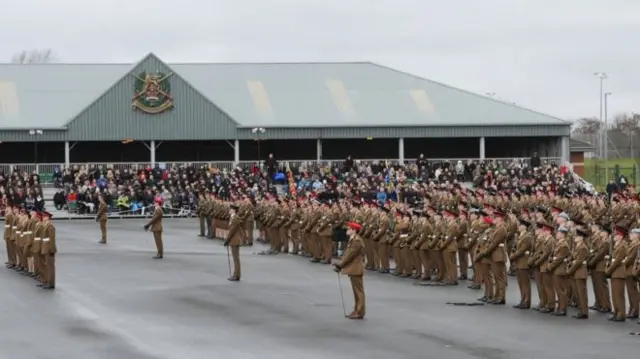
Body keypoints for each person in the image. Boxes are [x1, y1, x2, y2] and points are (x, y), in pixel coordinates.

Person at [333, 221, 366, 320]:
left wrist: (340, 265)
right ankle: (357, 310)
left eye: (348, 229)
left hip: (356, 268)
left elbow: (351, 255)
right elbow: (348, 254)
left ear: (354, 230)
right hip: (353, 268)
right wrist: (340, 263)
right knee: (356, 291)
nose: (347, 230)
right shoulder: (353, 239)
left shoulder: (357, 241)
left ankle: (360, 311)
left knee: (359, 291)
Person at [224, 204, 244, 281]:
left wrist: (227, 240)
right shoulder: (232, 218)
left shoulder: (236, 218)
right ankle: (235, 274)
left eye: (230, 209)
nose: (229, 210)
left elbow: (232, 230)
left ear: (234, 210)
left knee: (236, 258)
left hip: (235, 240)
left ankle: (237, 275)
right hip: (233, 239)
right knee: (235, 258)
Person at [39, 211, 56, 290]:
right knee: (46, 266)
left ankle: (50, 283)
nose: (43, 218)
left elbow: (52, 240)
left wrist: (52, 250)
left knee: (49, 266)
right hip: (45, 247)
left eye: (45, 217)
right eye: (43, 216)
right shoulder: (45, 226)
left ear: (48, 218)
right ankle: (46, 281)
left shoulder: (50, 227)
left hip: (49, 248)